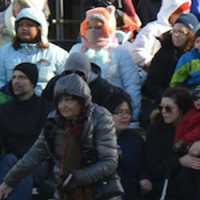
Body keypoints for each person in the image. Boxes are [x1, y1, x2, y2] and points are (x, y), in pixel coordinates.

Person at [0, 74, 121, 200]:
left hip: (100, 190)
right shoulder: (54, 120)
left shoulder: (100, 117)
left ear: (81, 100)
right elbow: (33, 155)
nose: (63, 105)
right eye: (60, 100)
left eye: (69, 100)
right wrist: (9, 182)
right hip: (65, 189)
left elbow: (109, 162)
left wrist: (76, 178)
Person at [70, 6, 144, 120]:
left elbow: (132, 86)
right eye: (89, 27)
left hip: (114, 113)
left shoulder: (120, 52)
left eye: (99, 27)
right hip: (82, 113)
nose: (93, 30)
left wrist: (131, 116)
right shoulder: (77, 50)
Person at [0, 62, 51, 200]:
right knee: (10, 160)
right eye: (14, 77)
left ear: (33, 82)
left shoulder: (45, 109)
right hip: (10, 162)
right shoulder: (4, 110)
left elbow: (47, 144)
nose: (16, 81)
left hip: (36, 163)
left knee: (16, 165)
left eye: (22, 77)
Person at [145, 87, 200, 200]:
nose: (163, 111)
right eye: (161, 107)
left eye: (169, 108)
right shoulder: (156, 130)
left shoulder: (194, 125)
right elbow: (153, 168)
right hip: (167, 188)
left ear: (182, 108)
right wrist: (179, 162)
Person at [0, 7, 69, 95]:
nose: (24, 28)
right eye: (20, 25)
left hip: (46, 106)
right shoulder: (4, 52)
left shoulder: (58, 54)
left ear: (40, 28)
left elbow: (66, 83)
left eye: (29, 25)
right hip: (12, 105)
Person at [104, 88, 151, 200]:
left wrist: (144, 178)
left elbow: (143, 165)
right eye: (120, 112)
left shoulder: (136, 138)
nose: (125, 116)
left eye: (128, 112)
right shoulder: (96, 139)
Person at [132, 0, 191, 69]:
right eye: (179, 13)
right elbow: (138, 51)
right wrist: (154, 64)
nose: (182, 16)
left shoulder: (187, 31)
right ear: (170, 12)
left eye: (185, 13)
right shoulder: (153, 29)